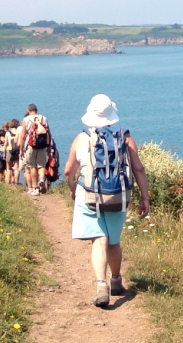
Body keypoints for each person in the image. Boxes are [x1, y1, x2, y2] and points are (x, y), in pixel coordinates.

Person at [64, 94, 150, 307]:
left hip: (89, 195)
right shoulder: (126, 138)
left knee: (98, 240)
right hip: (118, 196)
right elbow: (138, 169)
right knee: (113, 241)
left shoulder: (82, 138)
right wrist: (145, 197)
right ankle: (116, 280)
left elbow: (68, 171)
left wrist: (74, 189)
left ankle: (101, 285)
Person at [19, 103, 51, 196]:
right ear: (36, 110)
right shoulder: (44, 118)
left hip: (30, 145)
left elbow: (23, 136)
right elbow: (49, 133)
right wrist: (48, 147)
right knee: (41, 165)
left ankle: (35, 188)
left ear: (28, 111)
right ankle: (41, 179)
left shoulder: (26, 119)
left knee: (32, 166)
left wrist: (21, 149)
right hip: (42, 145)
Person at [4, 119, 21, 185]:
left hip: (9, 151)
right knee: (16, 168)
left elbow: (5, 143)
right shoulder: (19, 132)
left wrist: (4, 153)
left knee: (9, 168)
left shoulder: (8, 133)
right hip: (17, 151)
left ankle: (8, 182)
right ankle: (16, 182)